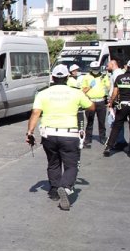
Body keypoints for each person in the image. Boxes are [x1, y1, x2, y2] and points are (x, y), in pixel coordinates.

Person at [26, 64, 95, 211]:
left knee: (53, 162)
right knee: (71, 165)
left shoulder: (43, 93)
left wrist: (30, 132)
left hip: (49, 134)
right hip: (69, 134)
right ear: (67, 77)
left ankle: (54, 190)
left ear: (52, 78)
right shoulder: (75, 93)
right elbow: (91, 107)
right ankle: (65, 187)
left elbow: (36, 113)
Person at [103, 59, 130, 159]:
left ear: (127, 67)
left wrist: (111, 103)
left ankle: (108, 148)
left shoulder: (119, 77)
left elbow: (115, 93)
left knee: (116, 127)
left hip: (122, 105)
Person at [81, 60, 110, 148]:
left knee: (102, 121)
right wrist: (90, 86)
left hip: (101, 101)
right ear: (91, 69)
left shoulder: (103, 76)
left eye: (97, 69)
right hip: (90, 101)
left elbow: (108, 87)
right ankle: (88, 138)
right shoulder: (86, 77)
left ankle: (102, 138)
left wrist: (105, 86)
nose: (96, 70)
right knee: (90, 121)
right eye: (94, 69)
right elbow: (83, 91)